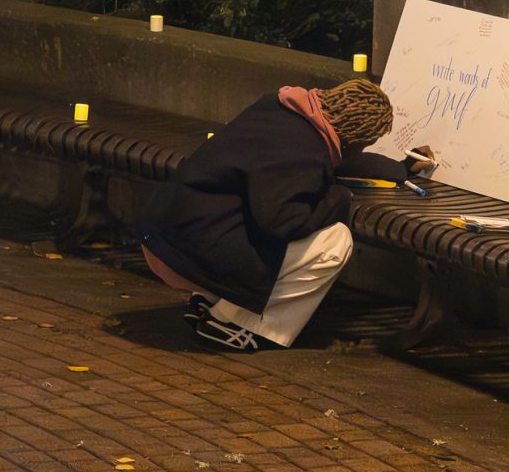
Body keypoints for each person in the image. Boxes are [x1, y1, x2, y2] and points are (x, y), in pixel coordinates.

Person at [137, 78, 432, 351]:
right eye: (365, 144)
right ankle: (240, 325)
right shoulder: (304, 148)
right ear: (353, 138)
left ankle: (212, 302)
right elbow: (283, 222)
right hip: (186, 255)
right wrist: (339, 199)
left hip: (164, 236)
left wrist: (401, 168)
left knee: (257, 231)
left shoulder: (281, 110)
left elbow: (339, 160)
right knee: (334, 241)